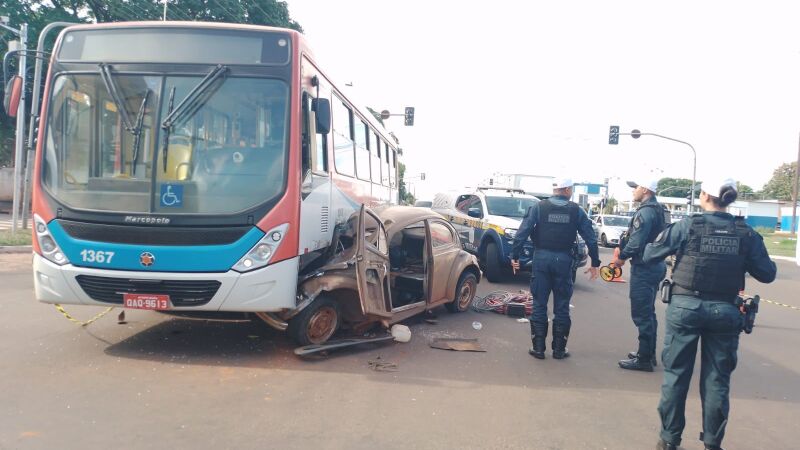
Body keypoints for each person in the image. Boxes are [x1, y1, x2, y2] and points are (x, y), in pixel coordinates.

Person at [642, 178, 776, 450]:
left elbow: (649, 255)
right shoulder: (746, 234)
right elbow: (767, 273)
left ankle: (669, 440)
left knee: (676, 376)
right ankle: (713, 443)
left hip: (685, 307)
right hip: (725, 311)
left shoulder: (687, 226)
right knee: (717, 380)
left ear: (705, 196)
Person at [511, 178, 600, 360]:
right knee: (562, 306)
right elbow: (590, 238)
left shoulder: (539, 207)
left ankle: (538, 348)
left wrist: (515, 256)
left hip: (541, 259)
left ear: (555, 189)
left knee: (539, 304)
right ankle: (559, 350)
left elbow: (522, 232)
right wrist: (596, 263)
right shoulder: (577, 210)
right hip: (564, 260)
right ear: (567, 189)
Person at [611, 177, 670, 372]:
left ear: (645, 189)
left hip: (645, 267)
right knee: (649, 312)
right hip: (656, 265)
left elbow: (636, 241)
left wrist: (622, 257)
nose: (633, 191)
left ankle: (644, 359)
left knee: (642, 314)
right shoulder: (659, 209)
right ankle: (648, 353)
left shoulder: (645, 212)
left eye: (635, 188)